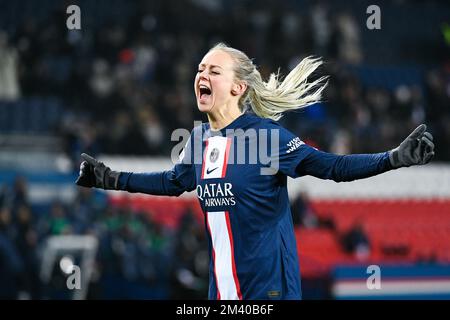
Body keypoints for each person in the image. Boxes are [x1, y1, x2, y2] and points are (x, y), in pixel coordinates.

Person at [75, 43, 435, 300]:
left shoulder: (266, 137)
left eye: (214, 70)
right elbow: (172, 183)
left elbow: (333, 167)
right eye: (200, 69)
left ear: (238, 86)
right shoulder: (198, 139)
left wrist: (393, 158)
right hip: (222, 292)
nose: (202, 74)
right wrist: (110, 179)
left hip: (270, 291)